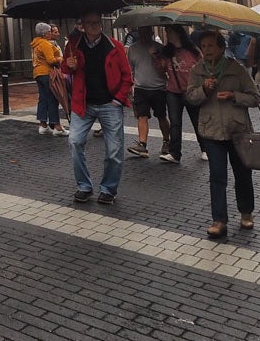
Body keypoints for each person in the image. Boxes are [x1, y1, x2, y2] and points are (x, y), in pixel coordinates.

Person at [186, 28, 260, 238]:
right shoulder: (197, 71)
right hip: (211, 131)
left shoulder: (235, 69)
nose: (207, 50)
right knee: (217, 176)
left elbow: (255, 97)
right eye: (203, 46)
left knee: (243, 174)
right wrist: (205, 89)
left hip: (237, 130)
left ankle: (246, 212)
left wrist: (233, 95)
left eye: (211, 45)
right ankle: (219, 220)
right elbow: (191, 98)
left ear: (221, 47)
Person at [62, 11, 134, 205]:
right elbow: (65, 70)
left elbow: (127, 77)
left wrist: (118, 100)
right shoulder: (73, 46)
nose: (94, 26)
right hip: (83, 103)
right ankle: (84, 186)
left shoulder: (114, 46)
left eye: (97, 23)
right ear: (82, 25)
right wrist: (69, 66)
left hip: (109, 103)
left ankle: (108, 189)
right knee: (75, 142)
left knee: (114, 149)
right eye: (90, 23)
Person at [126, 24, 171, 158]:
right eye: (141, 32)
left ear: (151, 33)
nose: (144, 35)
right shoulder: (133, 49)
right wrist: (130, 86)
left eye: (146, 32)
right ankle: (142, 145)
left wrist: (156, 56)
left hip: (158, 88)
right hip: (141, 88)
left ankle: (166, 141)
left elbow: (164, 69)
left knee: (161, 116)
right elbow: (131, 69)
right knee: (142, 116)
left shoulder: (159, 48)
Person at [161, 25, 201, 163]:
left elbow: (202, 68)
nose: (167, 34)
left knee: (197, 121)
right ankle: (174, 153)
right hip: (173, 91)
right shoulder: (167, 52)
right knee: (175, 123)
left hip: (190, 91)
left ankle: (205, 149)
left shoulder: (193, 51)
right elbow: (161, 69)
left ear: (178, 33)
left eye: (169, 31)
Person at [31, 22, 64, 136]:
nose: (50, 33)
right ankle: (56, 126)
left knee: (43, 98)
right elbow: (50, 60)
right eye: (49, 31)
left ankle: (43, 124)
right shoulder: (45, 44)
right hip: (46, 73)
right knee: (52, 99)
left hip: (37, 73)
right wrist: (59, 58)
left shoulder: (36, 44)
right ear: (45, 33)